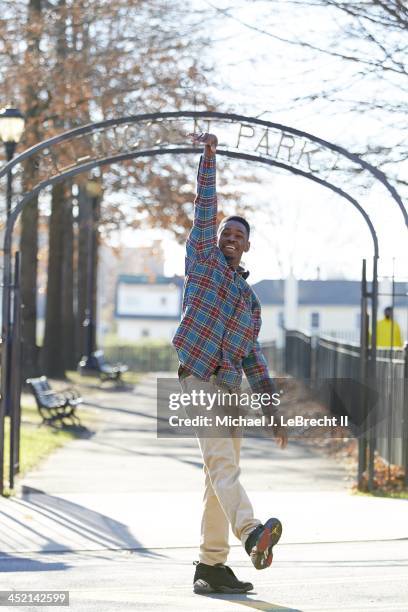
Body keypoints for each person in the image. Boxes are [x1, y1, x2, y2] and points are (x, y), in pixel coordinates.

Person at [172, 132, 287, 595]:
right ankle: (252, 533)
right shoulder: (202, 261)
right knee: (222, 465)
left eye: (239, 235)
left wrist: (272, 409)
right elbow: (204, 207)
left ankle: (210, 566)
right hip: (199, 379)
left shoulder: (250, 303)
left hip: (231, 388)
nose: (231, 238)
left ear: (248, 247)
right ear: (215, 240)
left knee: (218, 476)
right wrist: (208, 159)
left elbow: (254, 359)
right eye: (226, 232)